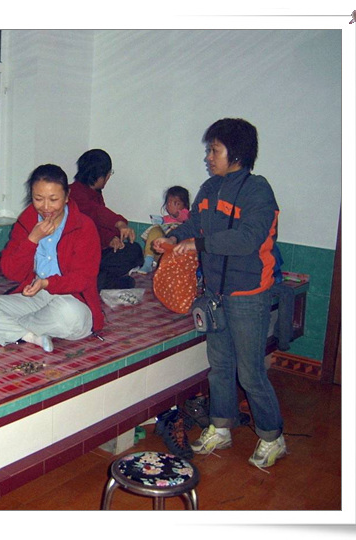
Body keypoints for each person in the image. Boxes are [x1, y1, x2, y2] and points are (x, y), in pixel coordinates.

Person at [153, 118, 286, 469]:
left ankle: (272, 437)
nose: (208, 157)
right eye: (209, 150)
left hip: (248, 294)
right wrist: (174, 237)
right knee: (220, 366)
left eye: (214, 150)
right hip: (215, 293)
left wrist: (200, 244)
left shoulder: (258, 191)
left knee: (250, 372)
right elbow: (194, 224)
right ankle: (221, 427)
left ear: (236, 153)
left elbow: (247, 239)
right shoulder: (210, 188)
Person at [0, 164, 104, 353]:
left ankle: (11, 328)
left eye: (53, 199)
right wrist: (32, 240)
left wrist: (47, 283)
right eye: (38, 199)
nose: (46, 207)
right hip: (34, 296)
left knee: (70, 315)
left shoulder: (83, 226)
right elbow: (11, 272)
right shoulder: (27, 222)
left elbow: (83, 279)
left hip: (71, 299)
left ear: (67, 197)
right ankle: (31, 336)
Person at [69, 149, 143, 290]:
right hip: (77, 257)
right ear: (99, 175)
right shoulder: (74, 192)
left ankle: (99, 280)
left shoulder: (95, 193)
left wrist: (110, 239)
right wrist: (119, 223)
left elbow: (95, 225)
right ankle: (95, 281)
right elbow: (96, 212)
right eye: (108, 174)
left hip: (95, 253)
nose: (109, 177)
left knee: (134, 251)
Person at [133, 186, 191, 274]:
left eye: (176, 204)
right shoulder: (165, 219)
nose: (171, 206)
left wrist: (176, 214)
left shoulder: (187, 215)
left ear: (185, 205)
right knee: (155, 229)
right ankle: (148, 262)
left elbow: (183, 217)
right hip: (160, 253)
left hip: (175, 255)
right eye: (169, 203)